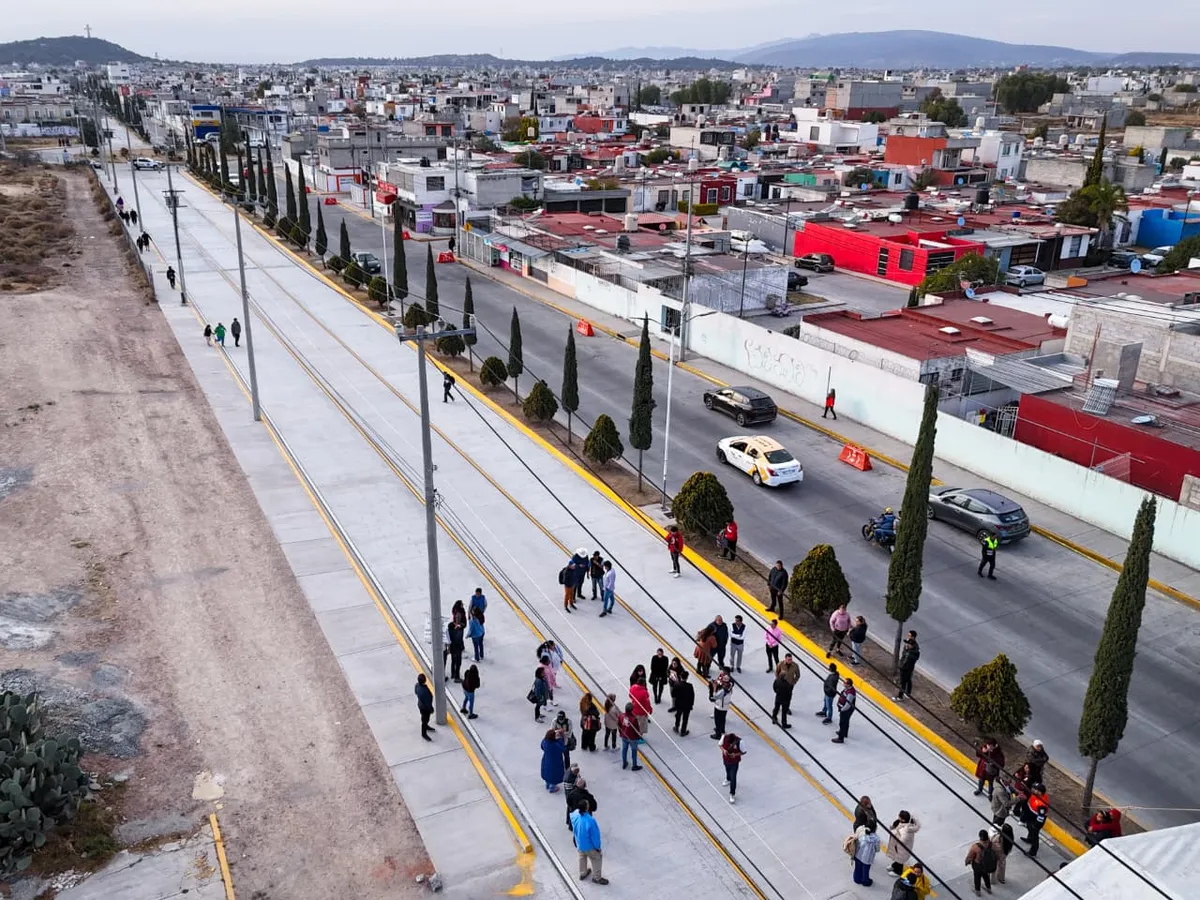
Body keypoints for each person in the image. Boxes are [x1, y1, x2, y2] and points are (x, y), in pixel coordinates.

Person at [571, 799, 608, 885]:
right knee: (596, 859)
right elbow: (595, 837)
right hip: (589, 846)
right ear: (586, 808)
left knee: (582, 857)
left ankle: (583, 873)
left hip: (579, 842)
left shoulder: (575, 814)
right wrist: (597, 848)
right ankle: (597, 877)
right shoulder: (590, 821)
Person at [965, 828, 996, 895]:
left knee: (977, 877)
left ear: (980, 837)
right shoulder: (991, 844)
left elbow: (970, 856)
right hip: (987, 864)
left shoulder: (976, 846)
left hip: (978, 864)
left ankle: (978, 891)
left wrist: (967, 861)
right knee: (986, 876)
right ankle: (989, 888)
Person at [1022, 782, 1049, 857]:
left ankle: (1033, 852)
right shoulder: (1037, 795)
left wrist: (1036, 826)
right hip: (1030, 817)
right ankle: (1029, 838)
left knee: (1035, 835)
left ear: (1040, 792)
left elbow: (1041, 816)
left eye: (1036, 789)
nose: (1034, 790)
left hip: (1035, 821)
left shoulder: (1041, 804)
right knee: (1029, 828)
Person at [893, 631, 920, 701]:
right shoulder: (907, 648)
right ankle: (907, 693)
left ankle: (900, 696)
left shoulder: (914, 650)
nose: (906, 645)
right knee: (906, 680)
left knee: (903, 682)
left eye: (909, 635)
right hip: (903, 666)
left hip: (907, 668)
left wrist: (908, 652)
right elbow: (903, 654)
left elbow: (912, 658)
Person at [853, 822, 881, 886]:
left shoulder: (861, 833)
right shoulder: (876, 839)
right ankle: (865, 881)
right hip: (868, 858)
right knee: (865, 869)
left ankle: (857, 879)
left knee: (857, 867)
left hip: (858, 854)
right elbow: (877, 849)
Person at [720, 732, 745, 804]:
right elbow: (720, 745)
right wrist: (723, 750)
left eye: (731, 744)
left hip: (734, 762)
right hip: (726, 759)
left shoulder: (740, 742)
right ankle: (728, 779)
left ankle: (732, 794)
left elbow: (744, 752)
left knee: (733, 777)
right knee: (727, 771)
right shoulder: (724, 737)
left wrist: (735, 754)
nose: (730, 745)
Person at [540, 727, 567, 793]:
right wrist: (560, 739)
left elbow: (542, 746)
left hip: (546, 759)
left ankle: (547, 784)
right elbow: (563, 749)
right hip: (555, 761)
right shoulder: (555, 745)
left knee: (547, 772)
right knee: (554, 774)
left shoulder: (545, 741)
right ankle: (552, 787)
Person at [617, 703, 643, 771]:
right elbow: (637, 730)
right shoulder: (634, 719)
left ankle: (624, 762)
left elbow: (619, 725)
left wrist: (621, 733)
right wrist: (639, 737)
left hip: (624, 736)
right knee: (634, 751)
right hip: (632, 738)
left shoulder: (621, 716)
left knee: (624, 750)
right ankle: (634, 765)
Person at [709, 668, 733, 740]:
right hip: (725, 705)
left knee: (717, 719)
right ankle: (721, 729)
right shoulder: (730, 684)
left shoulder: (723, 690)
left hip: (720, 705)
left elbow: (715, 696)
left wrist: (714, 688)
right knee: (722, 718)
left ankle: (718, 734)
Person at [831, 677, 857, 743]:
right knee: (846, 721)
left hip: (846, 710)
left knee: (842, 723)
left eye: (845, 683)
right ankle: (844, 733)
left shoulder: (850, 693)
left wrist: (842, 709)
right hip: (844, 709)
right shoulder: (847, 689)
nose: (844, 684)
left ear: (848, 684)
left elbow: (848, 705)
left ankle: (840, 738)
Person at [672, 670, 694, 736]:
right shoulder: (690, 686)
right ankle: (683, 731)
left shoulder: (676, 685)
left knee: (678, 716)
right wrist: (691, 704)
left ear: (680, 676)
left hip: (679, 704)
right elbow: (692, 696)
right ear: (687, 678)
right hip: (687, 705)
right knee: (685, 718)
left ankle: (676, 727)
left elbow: (673, 695)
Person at [414, 673, 435, 741]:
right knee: (425, 720)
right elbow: (427, 702)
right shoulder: (424, 691)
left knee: (424, 718)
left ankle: (426, 726)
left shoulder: (417, 685)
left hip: (420, 705)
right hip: (425, 708)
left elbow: (416, 692)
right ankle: (424, 733)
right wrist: (431, 709)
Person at [446, 617, 464, 682]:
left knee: (453, 662)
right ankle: (457, 677)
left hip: (452, 649)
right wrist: (459, 627)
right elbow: (460, 638)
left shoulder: (449, 631)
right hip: (458, 649)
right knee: (458, 663)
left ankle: (453, 674)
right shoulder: (458, 632)